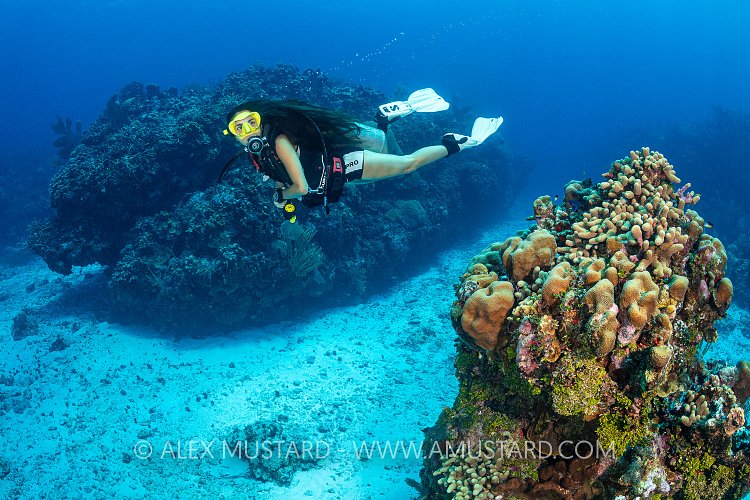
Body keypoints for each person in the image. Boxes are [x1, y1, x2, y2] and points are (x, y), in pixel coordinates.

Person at [220, 89, 502, 218]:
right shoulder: (258, 155)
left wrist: (281, 196)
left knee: (407, 165)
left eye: (251, 122)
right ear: (233, 135)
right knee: (388, 147)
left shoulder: (279, 141)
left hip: (347, 166)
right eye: (239, 127)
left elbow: (301, 186)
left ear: (261, 120)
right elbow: (288, 178)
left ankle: (458, 143)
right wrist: (283, 192)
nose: (248, 131)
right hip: (341, 177)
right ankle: (382, 122)